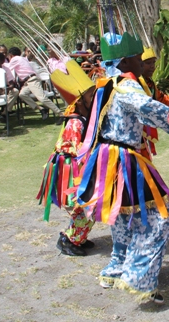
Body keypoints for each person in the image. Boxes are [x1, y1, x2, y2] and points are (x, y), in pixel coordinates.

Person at [75, 32, 169, 303]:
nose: (141, 63)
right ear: (123, 62)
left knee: (122, 214)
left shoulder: (104, 84)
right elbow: (153, 111)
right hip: (123, 159)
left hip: (105, 157)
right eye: (136, 58)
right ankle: (139, 277)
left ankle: (117, 267)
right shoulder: (126, 86)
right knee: (161, 214)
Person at [37, 59, 96, 257]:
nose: (94, 98)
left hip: (81, 170)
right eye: (90, 95)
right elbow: (74, 151)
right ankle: (68, 239)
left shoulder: (86, 118)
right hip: (72, 173)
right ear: (80, 101)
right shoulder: (75, 123)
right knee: (83, 207)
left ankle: (79, 237)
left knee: (88, 207)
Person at [139, 47, 169, 157]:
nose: (152, 66)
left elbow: (161, 99)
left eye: (153, 63)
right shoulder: (136, 83)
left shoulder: (149, 83)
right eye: (148, 63)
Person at [7, 46, 62, 121]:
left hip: (32, 80)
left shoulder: (14, 59)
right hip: (28, 81)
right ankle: (41, 109)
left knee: (42, 98)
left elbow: (7, 69)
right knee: (22, 94)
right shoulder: (22, 58)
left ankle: (60, 114)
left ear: (10, 55)